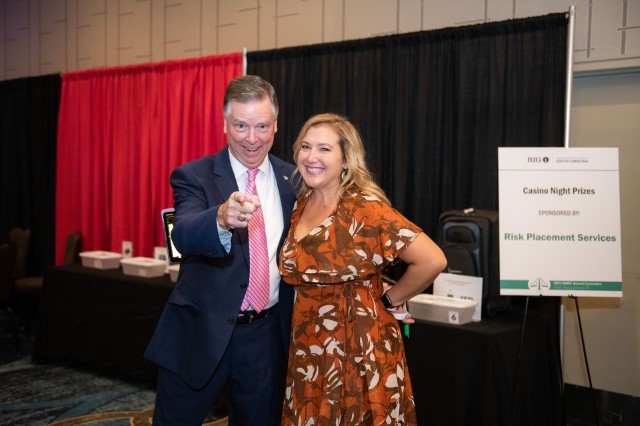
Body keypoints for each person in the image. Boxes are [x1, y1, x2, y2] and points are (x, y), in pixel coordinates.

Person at [145, 75, 297, 425]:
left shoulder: (293, 181)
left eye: (262, 126)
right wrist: (220, 218)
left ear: (275, 125)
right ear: (224, 123)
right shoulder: (193, 176)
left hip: (264, 337)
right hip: (199, 331)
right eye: (241, 125)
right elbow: (183, 235)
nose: (252, 138)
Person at [279, 113, 447, 425]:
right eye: (305, 146)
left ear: (346, 160)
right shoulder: (301, 203)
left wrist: (390, 299)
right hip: (308, 351)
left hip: (357, 350)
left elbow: (432, 260)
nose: (311, 157)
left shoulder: (364, 208)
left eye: (324, 149)